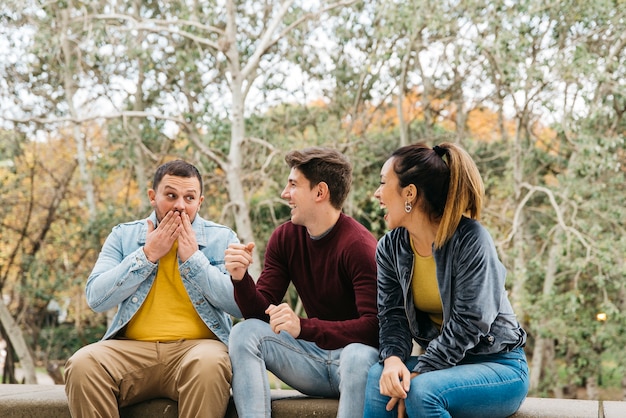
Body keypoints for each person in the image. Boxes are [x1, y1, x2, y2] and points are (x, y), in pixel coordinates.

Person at [64, 160, 242, 418]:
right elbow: (95, 297)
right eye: (171, 195)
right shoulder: (123, 235)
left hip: (198, 350)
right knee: (82, 364)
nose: (180, 205)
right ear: (152, 196)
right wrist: (147, 255)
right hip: (131, 351)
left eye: (189, 197)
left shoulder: (222, 238)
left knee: (210, 365)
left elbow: (239, 305)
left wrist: (194, 260)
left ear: (199, 202)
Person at [364, 142, 529, 418]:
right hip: (445, 366)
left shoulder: (471, 239)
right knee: (378, 379)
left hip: (499, 366)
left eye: (383, 183)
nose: (377, 194)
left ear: (410, 193)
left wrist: (419, 370)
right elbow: (392, 316)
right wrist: (393, 361)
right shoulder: (390, 248)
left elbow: (470, 321)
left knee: (422, 391)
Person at [224, 147, 380, 418]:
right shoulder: (285, 238)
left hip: (356, 365)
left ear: (320, 193)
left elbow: (374, 327)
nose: (285, 194)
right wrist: (240, 278)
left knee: (356, 355)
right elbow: (259, 314)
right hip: (312, 362)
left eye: (293, 185)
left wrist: (303, 327)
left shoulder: (359, 245)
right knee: (244, 332)